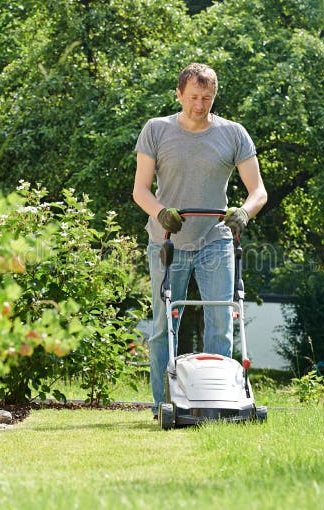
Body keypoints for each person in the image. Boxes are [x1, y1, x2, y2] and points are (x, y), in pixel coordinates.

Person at [132, 62, 268, 417]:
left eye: (207, 97)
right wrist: (161, 212)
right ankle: (163, 402)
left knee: (221, 321)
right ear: (179, 94)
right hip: (167, 240)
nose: (199, 104)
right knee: (165, 325)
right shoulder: (156, 130)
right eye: (193, 97)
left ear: (215, 96)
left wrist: (244, 212)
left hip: (216, 239)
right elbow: (140, 190)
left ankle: (217, 403)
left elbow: (259, 192)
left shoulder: (234, 134)